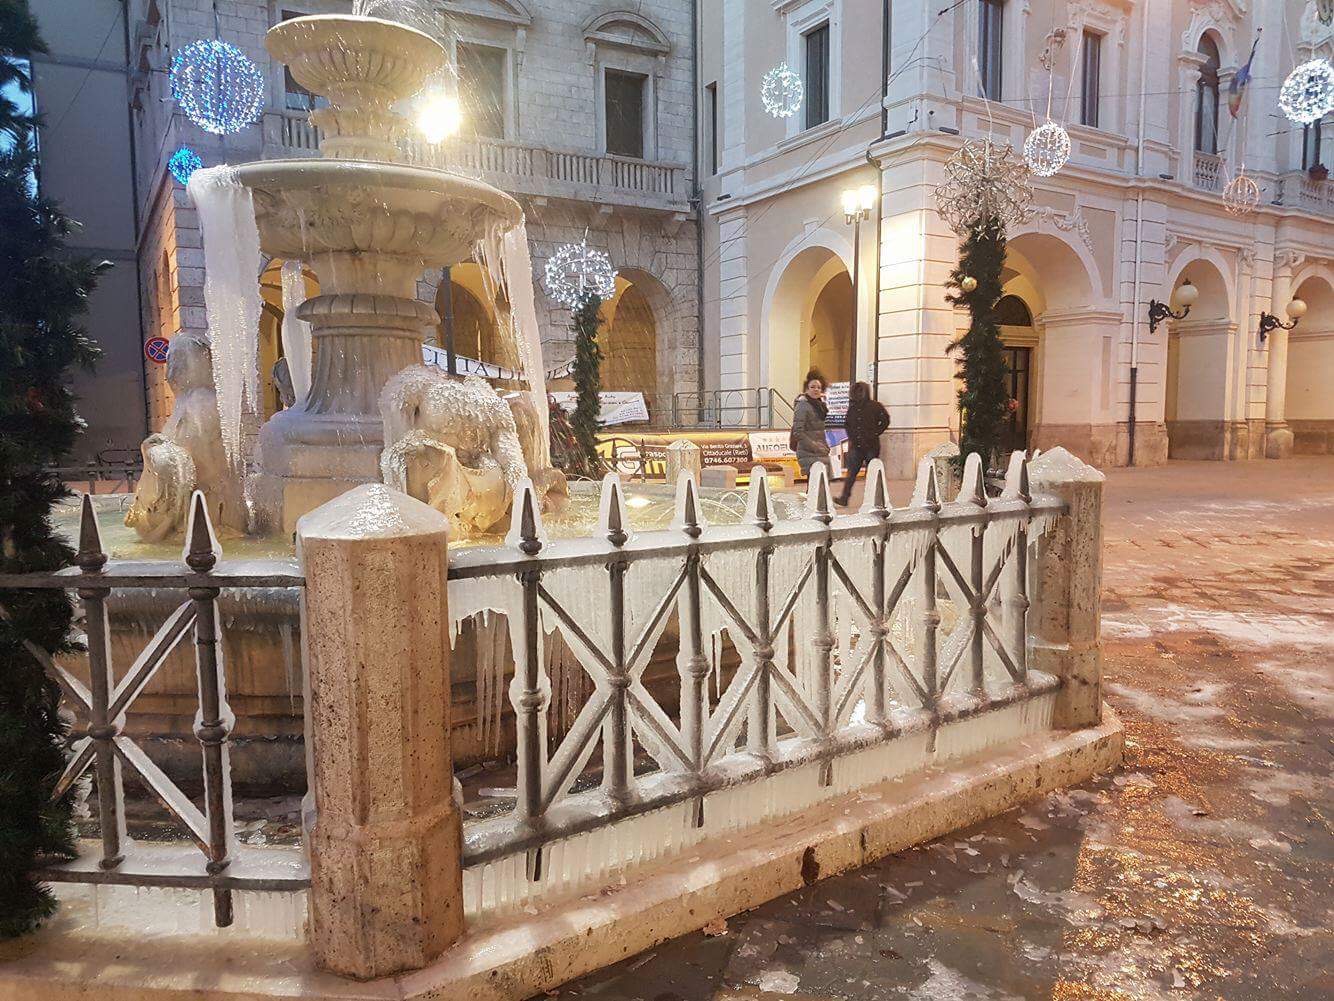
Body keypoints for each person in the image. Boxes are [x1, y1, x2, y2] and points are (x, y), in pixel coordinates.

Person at [838, 381, 889, 506]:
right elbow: (847, 424)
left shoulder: (875, 406)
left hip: (871, 445)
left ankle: (874, 499)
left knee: (872, 474)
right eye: (856, 392)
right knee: (851, 473)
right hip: (856, 446)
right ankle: (844, 498)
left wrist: (875, 432)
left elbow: (885, 420)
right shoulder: (853, 408)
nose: (858, 394)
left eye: (860, 391)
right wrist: (852, 437)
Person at [790, 371, 831, 479]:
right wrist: (814, 446)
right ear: (806, 389)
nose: (816, 389)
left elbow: (819, 432)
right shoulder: (802, 406)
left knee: (821, 484)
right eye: (812, 387)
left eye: (819, 387)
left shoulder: (820, 406)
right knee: (814, 483)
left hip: (820, 451)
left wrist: (824, 446)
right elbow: (798, 432)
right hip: (808, 452)